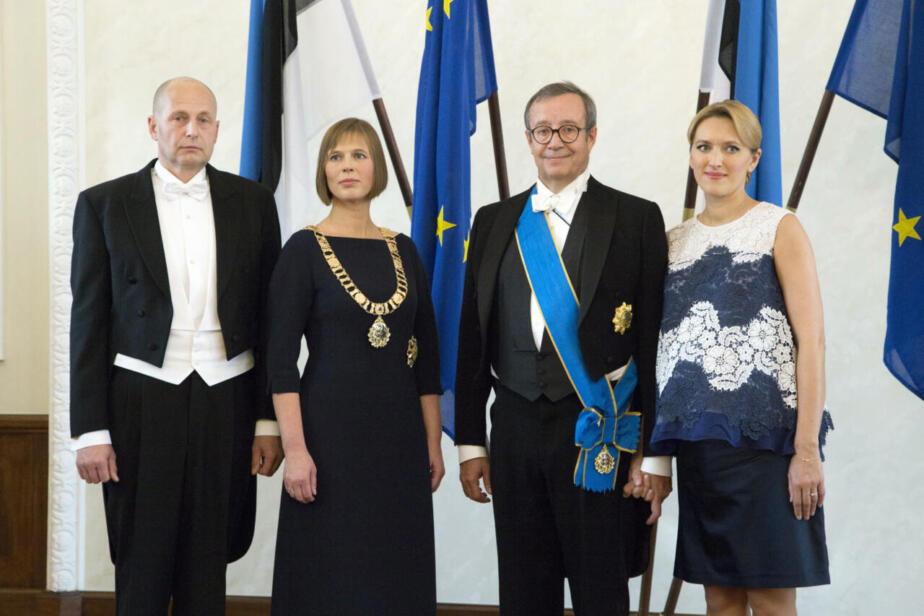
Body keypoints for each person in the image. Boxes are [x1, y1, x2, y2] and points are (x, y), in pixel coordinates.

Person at [454, 81, 672, 616]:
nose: (555, 141)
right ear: (528, 139)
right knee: (524, 590)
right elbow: (472, 337)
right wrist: (470, 443)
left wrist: (655, 453)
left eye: (569, 129)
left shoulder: (636, 218)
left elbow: (654, 342)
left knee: (601, 589)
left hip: (597, 424)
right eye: (543, 130)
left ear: (592, 136)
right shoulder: (492, 221)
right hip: (513, 427)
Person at [70, 76, 283, 615]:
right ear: (153, 126)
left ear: (217, 129)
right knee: (140, 562)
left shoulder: (255, 204)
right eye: (179, 118)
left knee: (208, 564)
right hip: (140, 400)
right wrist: (90, 431)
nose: (192, 130)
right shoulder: (104, 204)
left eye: (203, 119)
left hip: (226, 398)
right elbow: (88, 323)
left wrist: (267, 419)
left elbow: (270, 322)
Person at [651, 100, 832, 616]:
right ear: (690, 154)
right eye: (704, 146)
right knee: (721, 602)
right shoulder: (672, 243)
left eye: (731, 148)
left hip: (769, 450)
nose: (716, 160)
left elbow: (812, 342)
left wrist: (805, 452)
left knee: (771, 601)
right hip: (701, 451)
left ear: (753, 158)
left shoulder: (779, 227)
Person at [266, 117, 444, 615]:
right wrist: (295, 451)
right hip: (326, 439)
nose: (347, 166)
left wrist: (432, 442)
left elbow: (427, 359)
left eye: (359, 155)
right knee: (330, 572)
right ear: (324, 171)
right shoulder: (302, 249)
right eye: (336, 156)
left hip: (399, 439)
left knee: (394, 571)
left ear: (376, 168)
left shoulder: (404, 249)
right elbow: (280, 362)